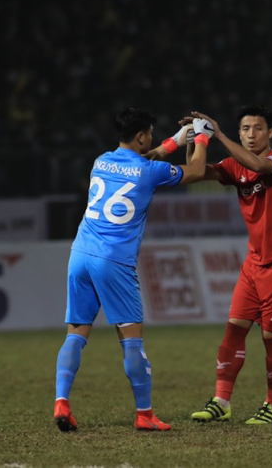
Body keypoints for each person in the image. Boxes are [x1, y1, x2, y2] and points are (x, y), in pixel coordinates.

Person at [52, 107, 209, 432]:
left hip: (80, 253)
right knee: (131, 340)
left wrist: (177, 140)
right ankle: (144, 413)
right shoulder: (149, 172)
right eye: (149, 133)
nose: (150, 138)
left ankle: (61, 402)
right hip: (114, 260)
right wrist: (203, 135)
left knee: (76, 334)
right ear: (140, 135)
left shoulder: (101, 161)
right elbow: (195, 171)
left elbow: (141, 160)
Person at [177, 106, 272, 425]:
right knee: (233, 329)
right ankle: (221, 401)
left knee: (271, 338)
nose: (251, 134)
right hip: (254, 262)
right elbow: (195, 173)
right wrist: (197, 139)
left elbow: (258, 165)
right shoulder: (234, 165)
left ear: (270, 133)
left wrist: (217, 134)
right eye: (245, 129)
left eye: (258, 128)